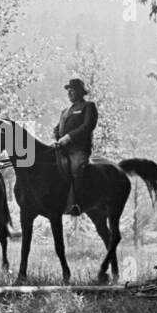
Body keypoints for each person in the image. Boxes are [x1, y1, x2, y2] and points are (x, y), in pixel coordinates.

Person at [53, 78, 97, 215]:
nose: (70, 93)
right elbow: (57, 128)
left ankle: (77, 203)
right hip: (61, 148)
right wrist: (56, 137)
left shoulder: (88, 106)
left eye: (73, 90)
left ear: (80, 92)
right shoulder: (65, 111)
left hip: (78, 149)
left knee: (76, 167)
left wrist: (68, 137)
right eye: (68, 90)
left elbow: (87, 126)